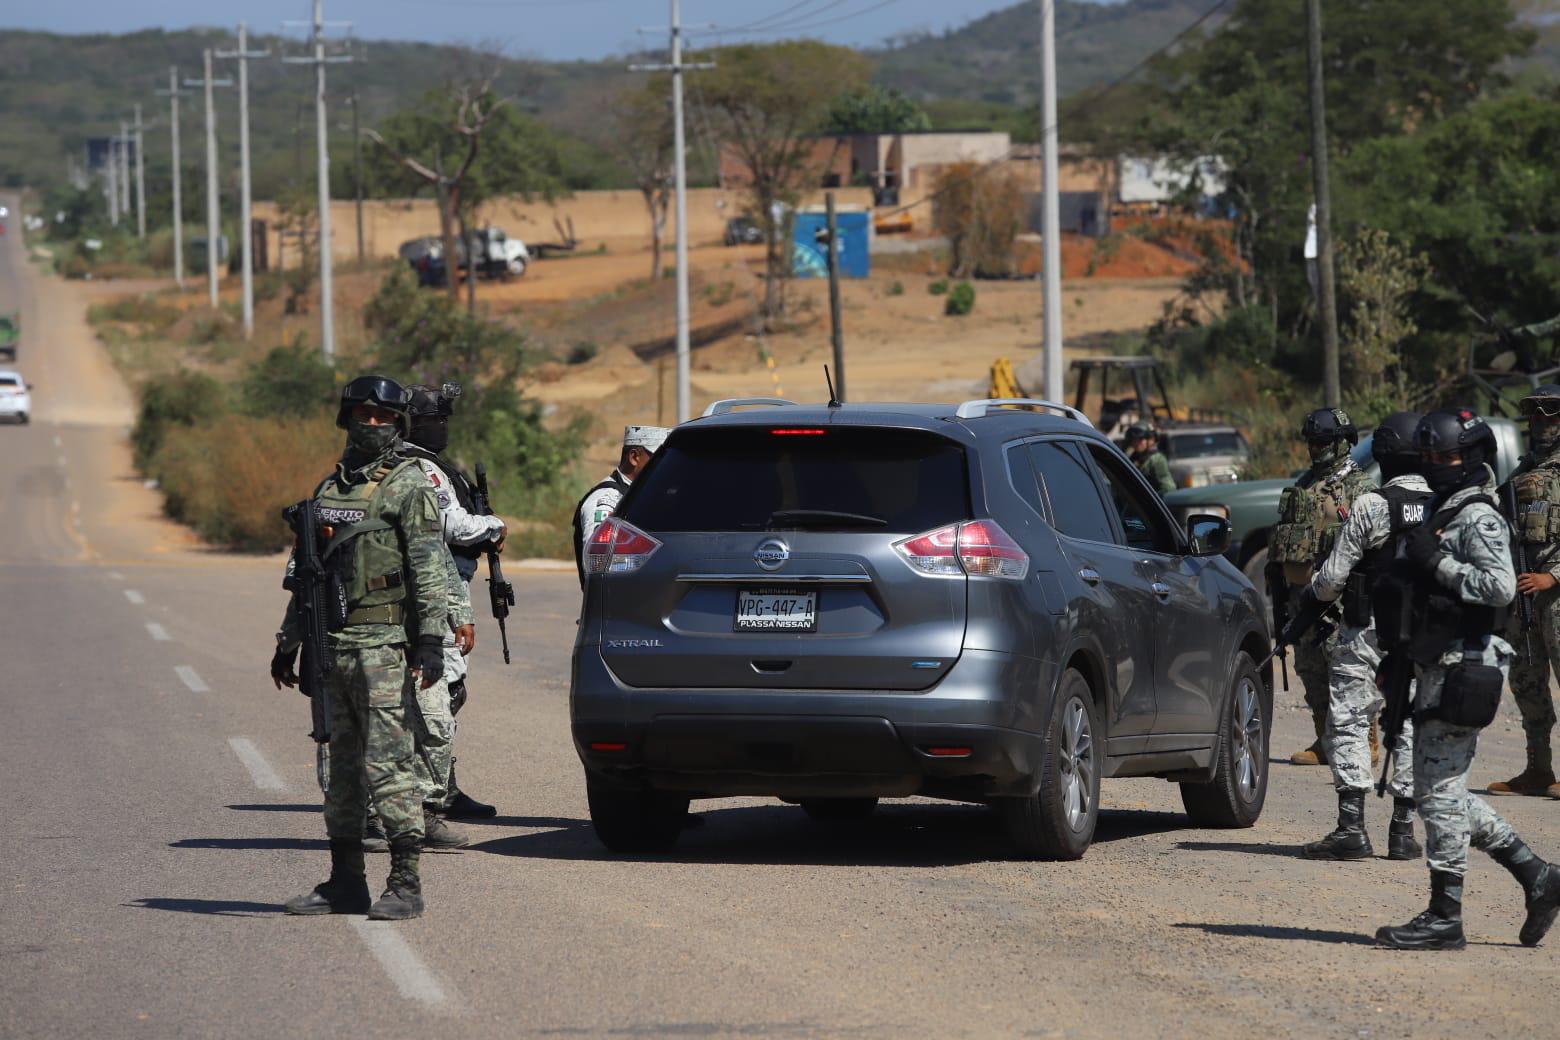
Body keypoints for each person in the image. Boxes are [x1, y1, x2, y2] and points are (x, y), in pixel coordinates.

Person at [1375, 408, 1560, 950]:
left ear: (1472, 456)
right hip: (1441, 662)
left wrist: (1439, 565)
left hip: (1469, 664)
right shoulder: (1442, 507)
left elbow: (1501, 586)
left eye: (1446, 457)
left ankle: (1445, 914)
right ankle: (1538, 877)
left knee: (1437, 791)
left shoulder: (1475, 513)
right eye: (1429, 457)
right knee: (1443, 789)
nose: (1436, 465)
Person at [272, 375, 450, 921]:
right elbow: (309, 579)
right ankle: (344, 881)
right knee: (342, 772)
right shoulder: (328, 492)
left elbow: (428, 568)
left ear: (396, 424)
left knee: (390, 767)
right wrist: (290, 644)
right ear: (346, 419)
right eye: (362, 415)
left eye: (381, 418)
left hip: (383, 648)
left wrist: (429, 641)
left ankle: (405, 883)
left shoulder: (409, 486)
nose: (370, 425)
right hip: (334, 649)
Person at [1300, 412, 1427, 861]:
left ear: (1385, 454)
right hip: (1422, 633)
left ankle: (1351, 827)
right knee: (1411, 721)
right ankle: (1402, 831)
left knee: (1350, 718)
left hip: (1367, 628)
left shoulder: (1373, 505)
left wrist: (1308, 597)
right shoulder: (1444, 504)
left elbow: (1332, 578)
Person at [402, 383, 506, 821]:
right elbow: (452, 525)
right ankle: (430, 793)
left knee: (444, 692)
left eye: (444, 420)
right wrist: (494, 525)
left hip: (450, 580)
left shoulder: (430, 464)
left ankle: (441, 786)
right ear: (413, 423)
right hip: (437, 585)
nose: (442, 428)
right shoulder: (419, 467)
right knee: (443, 689)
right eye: (434, 421)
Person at [1268, 408, 1377, 766]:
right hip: (1302, 597)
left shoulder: (1358, 487)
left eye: (1324, 442)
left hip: (1339, 599)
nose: (1316, 448)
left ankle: (1366, 738)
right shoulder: (1304, 486)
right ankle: (1325, 738)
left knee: (1346, 672)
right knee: (1311, 670)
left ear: (1343, 442)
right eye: (1312, 442)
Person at [1489, 384, 1560, 799]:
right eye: (1535, 415)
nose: (1542, 422)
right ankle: (1539, 769)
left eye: (1550, 415)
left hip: (1553, 592)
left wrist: (1552, 577)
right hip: (1523, 593)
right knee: (1528, 683)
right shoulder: (1520, 474)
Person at [574, 425, 670, 586]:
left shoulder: (644, 494)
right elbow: (597, 563)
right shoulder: (606, 500)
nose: (664, 466)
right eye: (657, 459)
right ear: (634, 457)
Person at [1126, 424, 1175, 495]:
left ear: (1150, 440)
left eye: (1140, 439)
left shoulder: (1157, 460)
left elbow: (1168, 488)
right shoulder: (1133, 458)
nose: (1136, 443)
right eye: (1133, 440)